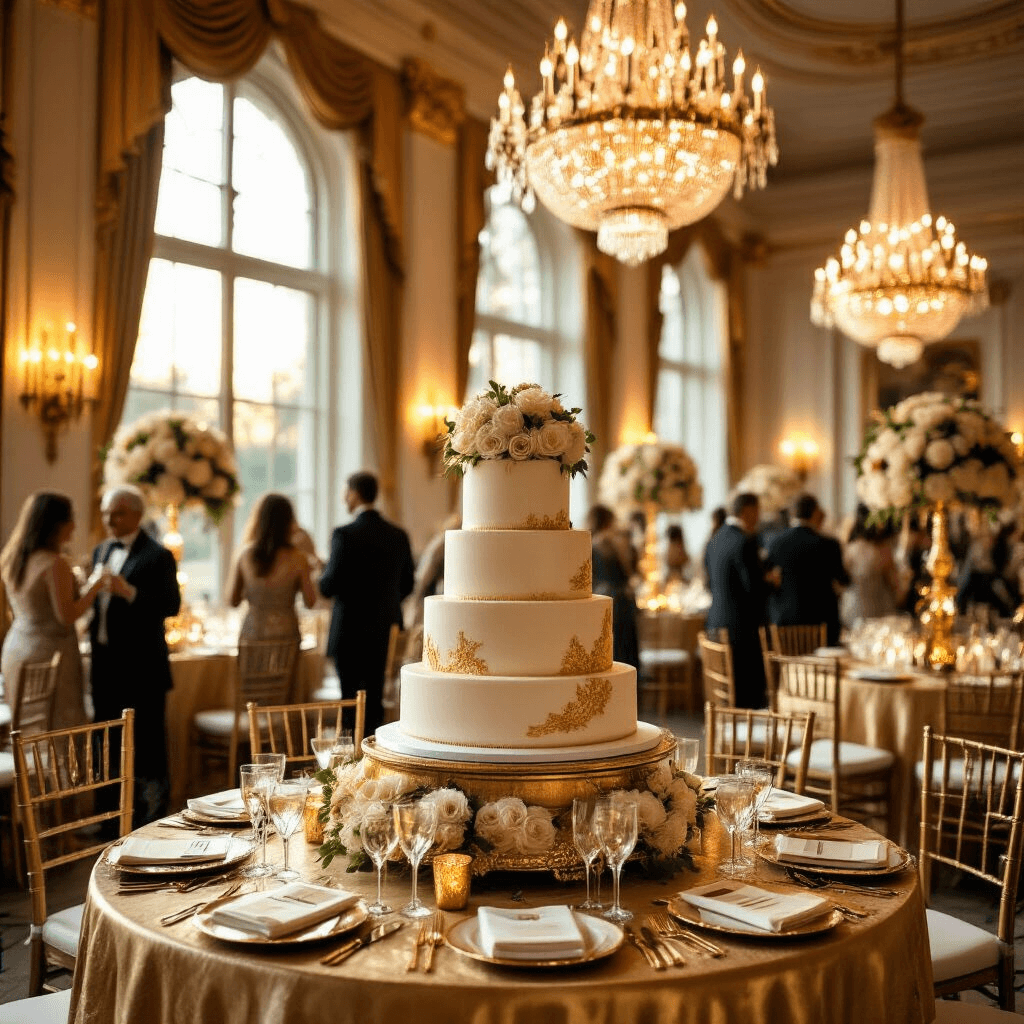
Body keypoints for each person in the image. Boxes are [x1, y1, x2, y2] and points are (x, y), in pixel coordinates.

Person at [89, 485, 181, 827]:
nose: (109, 519)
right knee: (106, 740)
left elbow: (171, 605)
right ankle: (109, 816)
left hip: (142, 668)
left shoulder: (158, 555)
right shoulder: (100, 550)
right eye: (105, 512)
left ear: (137, 515)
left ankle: (151, 817)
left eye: (117, 513)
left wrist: (128, 591)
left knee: (147, 743)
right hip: (105, 665)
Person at [319, 471, 415, 738]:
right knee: (374, 701)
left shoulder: (344, 535)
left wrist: (320, 571)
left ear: (355, 493)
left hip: (349, 633)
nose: (343, 497)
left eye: (345, 492)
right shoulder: (398, 535)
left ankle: (350, 763)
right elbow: (407, 585)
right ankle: (375, 756)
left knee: (349, 701)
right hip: (385, 631)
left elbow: (328, 587)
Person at [1, 492, 105, 729]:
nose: (74, 525)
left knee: (27, 730)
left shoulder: (15, 558)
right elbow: (66, 616)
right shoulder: (53, 563)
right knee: (59, 728)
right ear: (57, 524)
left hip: (17, 648)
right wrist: (95, 586)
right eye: (71, 518)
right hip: (50, 655)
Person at [703, 492, 768, 708]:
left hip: (716, 623)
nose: (759, 517)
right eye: (758, 511)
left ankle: (726, 730)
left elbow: (710, 582)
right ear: (748, 510)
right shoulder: (744, 541)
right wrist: (770, 580)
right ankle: (747, 734)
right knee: (748, 695)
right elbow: (754, 589)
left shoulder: (714, 539)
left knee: (726, 692)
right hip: (742, 629)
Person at [227, 493, 317, 645]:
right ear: (289, 521)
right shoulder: (298, 558)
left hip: (252, 635)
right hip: (286, 637)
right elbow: (311, 602)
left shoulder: (245, 555)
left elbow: (232, 601)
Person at [765, 494, 850, 646]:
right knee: (823, 667)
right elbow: (843, 579)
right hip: (822, 622)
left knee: (790, 666)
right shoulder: (828, 544)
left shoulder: (775, 543)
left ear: (792, 514)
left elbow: (767, 578)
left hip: (786, 622)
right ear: (816, 512)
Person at [587, 504, 639, 669]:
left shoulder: (589, 543)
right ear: (608, 521)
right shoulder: (613, 542)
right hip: (620, 601)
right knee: (624, 651)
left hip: (599, 600)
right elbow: (629, 572)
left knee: (609, 650)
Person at [840, 504, 903, 627]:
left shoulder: (849, 550)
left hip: (853, 607)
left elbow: (841, 582)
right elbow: (894, 585)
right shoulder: (883, 550)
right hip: (880, 607)